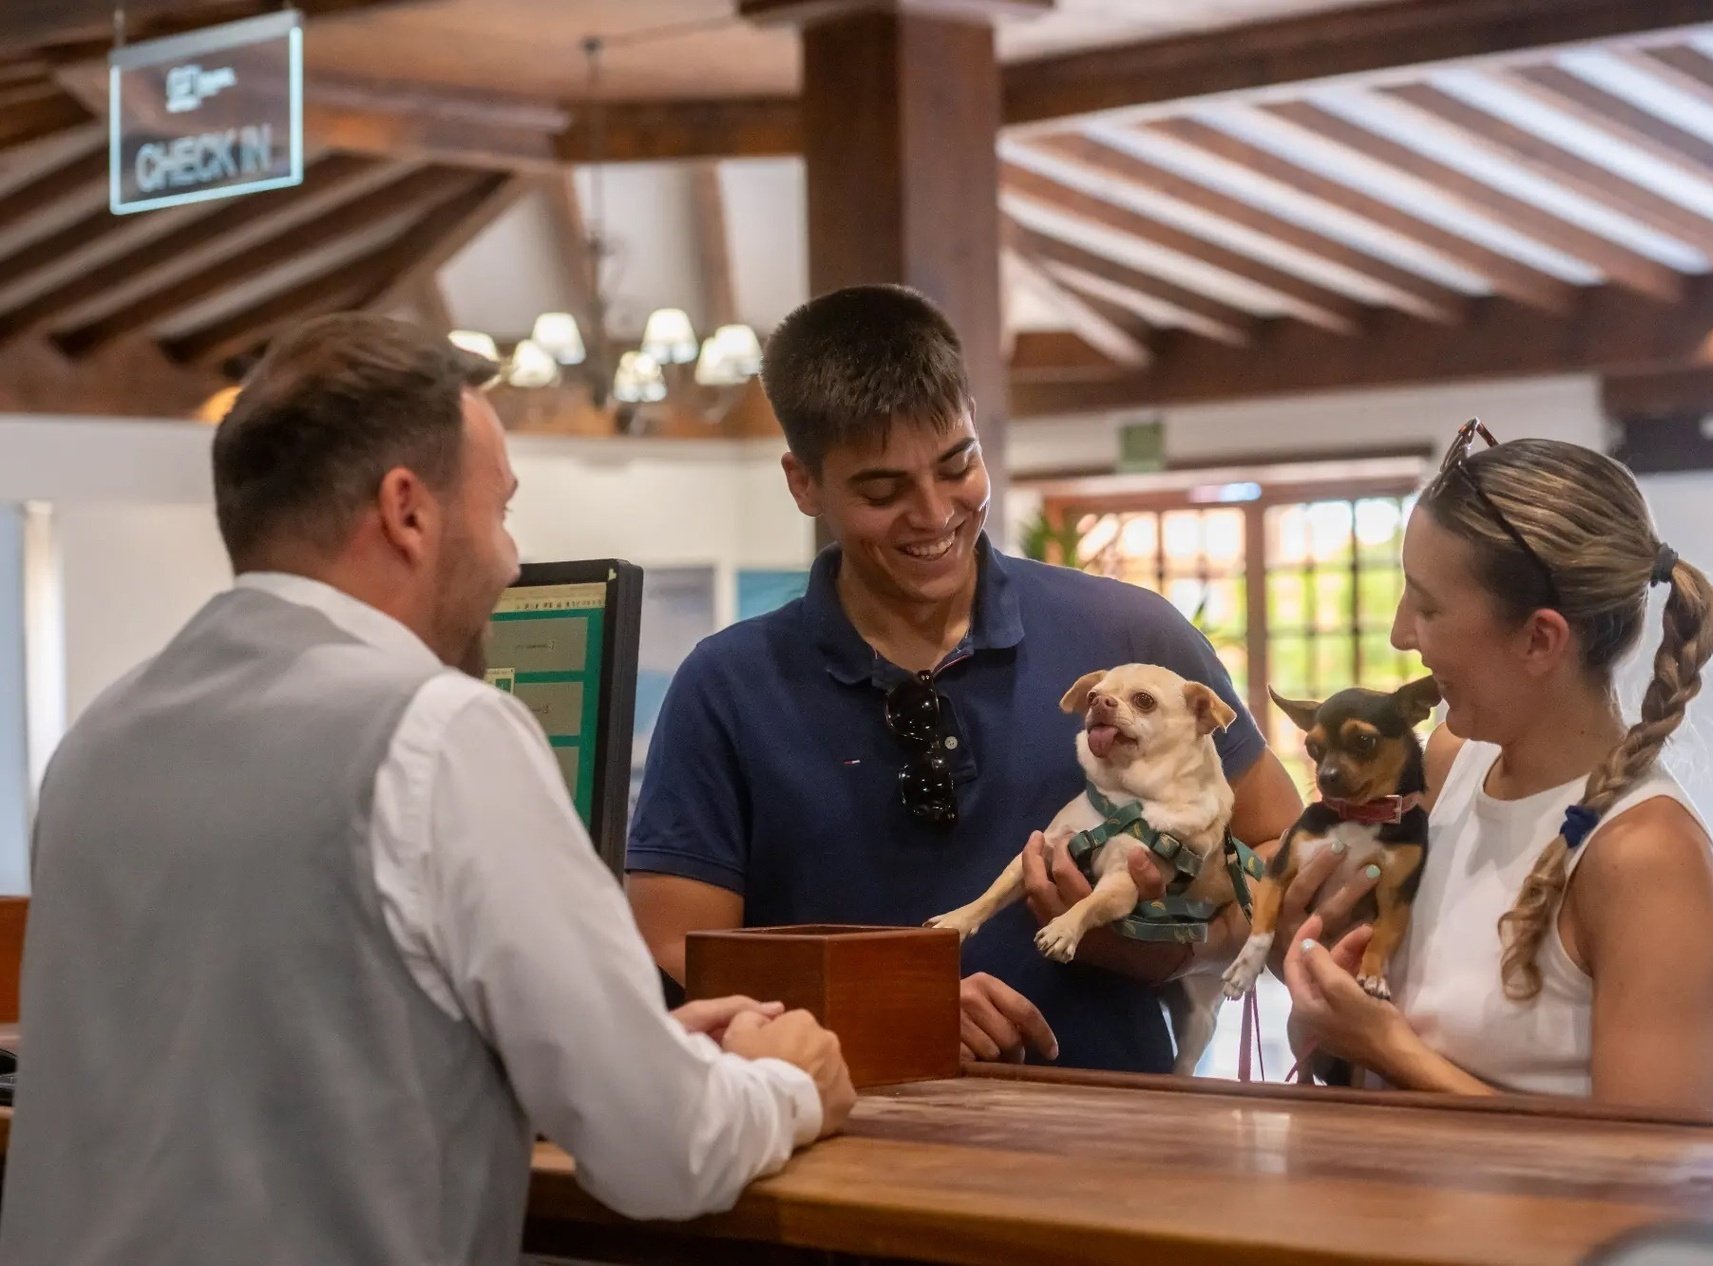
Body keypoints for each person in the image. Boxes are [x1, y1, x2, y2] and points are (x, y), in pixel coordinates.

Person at [0, 315, 854, 1266]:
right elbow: (666, 1152)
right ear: (408, 512)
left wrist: (624, 1046)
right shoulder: (441, 731)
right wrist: (782, 1082)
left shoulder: (96, 743)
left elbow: (256, 1059)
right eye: (500, 511)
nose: (512, 561)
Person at [625, 284, 1327, 1075]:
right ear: (804, 484)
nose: (934, 514)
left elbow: (1279, 847)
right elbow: (673, 945)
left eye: (958, 465)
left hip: (1115, 1148)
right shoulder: (729, 685)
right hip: (828, 1145)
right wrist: (880, 1008)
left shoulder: (1129, 639)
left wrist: (1170, 946)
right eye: (883, 492)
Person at [1281, 422, 1713, 1109]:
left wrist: (1386, 1048)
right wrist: (1329, 1007)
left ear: (1539, 639)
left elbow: (1656, 1176)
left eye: (1426, 606)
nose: (1402, 634)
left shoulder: (1647, 857)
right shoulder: (1450, 763)